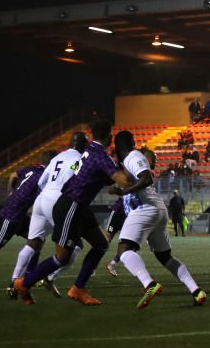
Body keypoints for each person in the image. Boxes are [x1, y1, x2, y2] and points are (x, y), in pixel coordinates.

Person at [15, 119, 132, 306]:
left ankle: (78, 288)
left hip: (78, 207)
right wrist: (124, 156)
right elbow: (125, 181)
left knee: (101, 244)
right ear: (109, 136)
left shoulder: (89, 151)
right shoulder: (100, 156)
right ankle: (24, 283)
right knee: (62, 258)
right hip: (71, 206)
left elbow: (110, 182)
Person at [106, 131, 206, 308]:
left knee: (124, 251)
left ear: (118, 147)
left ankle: (149, 284)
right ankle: (196, 291)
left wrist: (122, 192)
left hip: (146, 209)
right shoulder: (128, 162)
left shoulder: (132, 156)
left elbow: (146, 178)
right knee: (165, 257)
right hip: (156, 209)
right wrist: (119, 188)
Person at [10, 134, 88, 298]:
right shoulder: (80, 159)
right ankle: (50, 277)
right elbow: (75, 180)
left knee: (32, 243)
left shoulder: (58, 156)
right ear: (84, 145)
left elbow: (41, 182)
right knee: (76, 244)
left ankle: (14, 282)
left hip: (41, 201)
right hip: (58, 202)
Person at [0, 155, 51, 302]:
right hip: (10, 216)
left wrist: (12, 190)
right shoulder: (44, 177)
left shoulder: (34, 168)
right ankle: (20, 281)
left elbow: (13, 174)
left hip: (19, 215)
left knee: (38, 240)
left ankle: (22, 281)